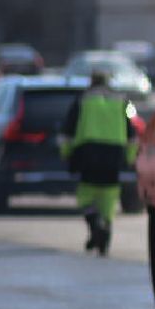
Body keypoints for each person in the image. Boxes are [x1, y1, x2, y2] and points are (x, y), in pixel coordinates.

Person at [60, 69, 137, 256]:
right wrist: (130, 157)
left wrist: (66, 154)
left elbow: (67, 132)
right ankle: (105, 225)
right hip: (114, 154)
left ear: (91, 82)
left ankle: (95, 223)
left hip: (88, 153)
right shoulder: (124, 101)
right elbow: (133, 128)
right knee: (109, 194)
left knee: (86, 195)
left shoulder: (82, 100)